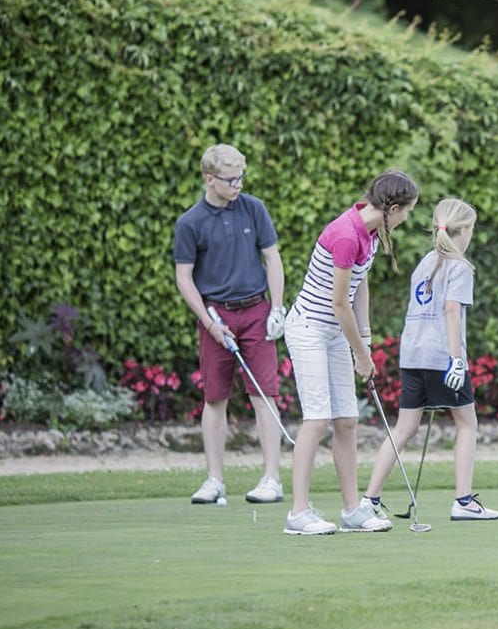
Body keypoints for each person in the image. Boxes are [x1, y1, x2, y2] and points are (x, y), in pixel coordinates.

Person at [278, 171, 419, 534]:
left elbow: (361, 284)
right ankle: (297, 513)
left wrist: (366, 340)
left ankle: (352, 509)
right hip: (310, 327)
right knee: (318, 418)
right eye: (406, 212)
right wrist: (362, 356)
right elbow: (339, 303)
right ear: (392, 207)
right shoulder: (345, 234)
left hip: (337, 332)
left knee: (347, 420)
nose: (406, 219)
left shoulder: (369, 232)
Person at [362, 198, 498, 523]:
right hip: (442, 357)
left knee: (404, 428)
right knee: (467, 424)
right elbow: (451, 311)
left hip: (412, 356)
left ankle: (369, 499)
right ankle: (464, 501)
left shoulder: (425, 261)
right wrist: (457, 360)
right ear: (464, 231)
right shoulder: (460, 266)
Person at [173, 144, 288, 506]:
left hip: (256, 310)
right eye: (230, 179)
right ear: (210, 179)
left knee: (264, 394)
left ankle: (272, 478)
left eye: (241, 177)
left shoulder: (253, 209)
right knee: (215, 397)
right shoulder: (190, 223)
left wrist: (278, 308)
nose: (238, 184)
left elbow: (272, 257)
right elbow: (184, 278)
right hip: (217, 317)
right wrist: (208, 324)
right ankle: (214, 480)